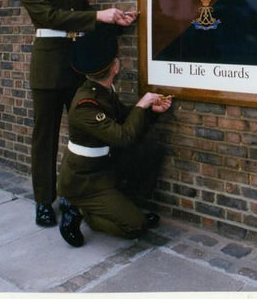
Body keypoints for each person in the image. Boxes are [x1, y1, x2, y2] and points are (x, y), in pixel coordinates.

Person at [18, 0, 138, 227]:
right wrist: (98, 15)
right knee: (44, 138)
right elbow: (49, 17)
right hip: (47, 71)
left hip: (75, 69)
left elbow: (86, 23)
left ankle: (73, 194)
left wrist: (118, 20)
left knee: (81, 135)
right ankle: (44, 200)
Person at [57, 27, 172, 247]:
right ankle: (79, 209)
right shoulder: (85, 105)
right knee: (135, 227)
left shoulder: (103, 91)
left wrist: (150, 111)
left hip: (104, 169)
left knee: (149, 150)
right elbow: (123, 136)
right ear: (115, 66)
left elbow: (124, 118)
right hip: (85, 182)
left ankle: (120, 207)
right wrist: (142, 103)